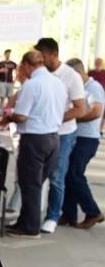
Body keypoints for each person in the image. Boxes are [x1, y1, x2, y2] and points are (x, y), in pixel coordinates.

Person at [0, 50, 66, 236]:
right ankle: (26, 220)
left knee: (30, 184)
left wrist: (8, 116)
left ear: (28, 65)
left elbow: (21, 116)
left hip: (34, 139)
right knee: (36, 183)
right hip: (53, 137)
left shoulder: (32, 85)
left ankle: (30, 226)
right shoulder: (57, 83)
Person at [36, 37, 90, 233]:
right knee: (36, 176)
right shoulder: (39, 75)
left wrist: (56, 119)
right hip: (40, 133)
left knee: (57, 176)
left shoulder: (70, 76)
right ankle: (31, 215)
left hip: (63, 134)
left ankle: (52, 216)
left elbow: (80, 109)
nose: (41, 61)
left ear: (53, 54)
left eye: (43, 56)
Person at [61, 57, 105, 228]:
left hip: (87, 138)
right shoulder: (79, 87)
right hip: (75, 136)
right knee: (68, 174)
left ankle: (93, 212)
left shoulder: (93, 88)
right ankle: (69, 214)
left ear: (78, 73)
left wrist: (73, 118)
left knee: (75, 174)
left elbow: (95, 112)